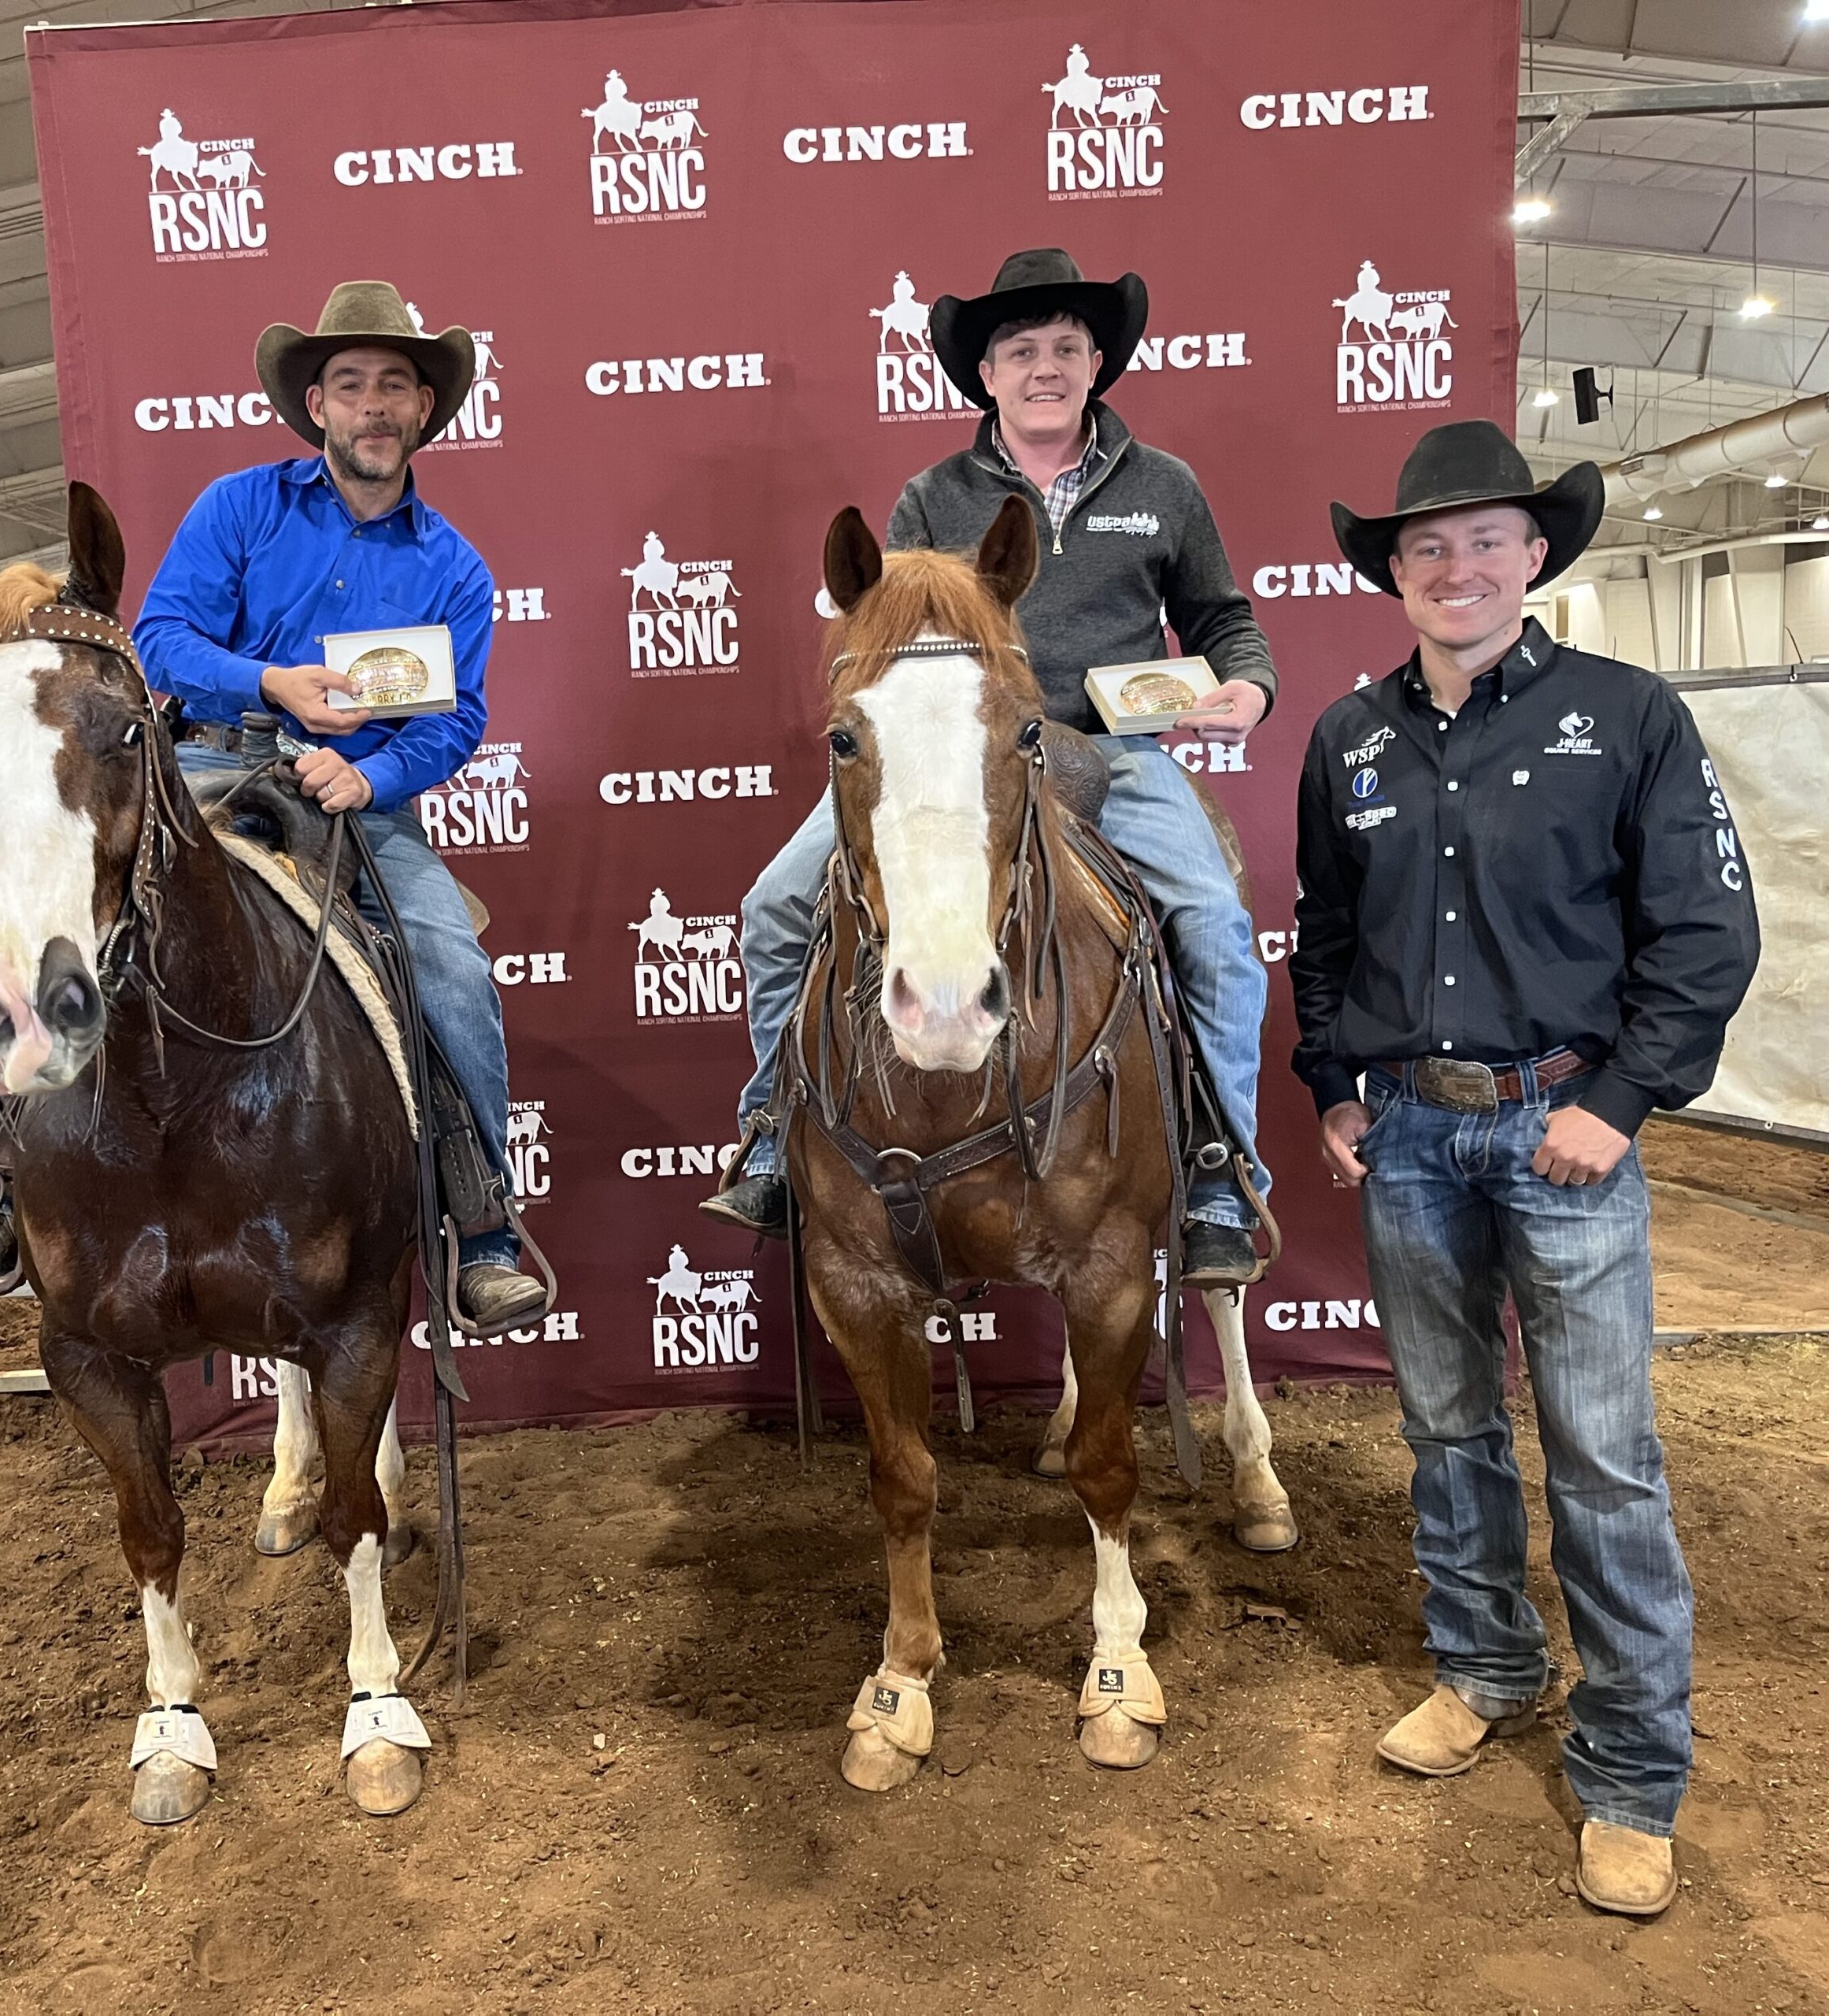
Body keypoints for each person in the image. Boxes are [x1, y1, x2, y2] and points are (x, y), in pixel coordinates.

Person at [1290, 420, 1760, 1917]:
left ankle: (1631, 1773)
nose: (1455, 566)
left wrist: (1621, 1103)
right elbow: (1326, 938)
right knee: (1447, 1429)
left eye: (1485, 540)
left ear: (1534, 556)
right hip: (1412, 1135)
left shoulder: (1629, 716)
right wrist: (1335, 1089)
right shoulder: (1347, 737)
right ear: (1395, 575)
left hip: (1565, 1130)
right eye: (1426, 547)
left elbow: (1705, 936)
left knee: (1606, 1459)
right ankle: (1485, 1666)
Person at [0, 281, 545, 1333]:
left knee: (452, 969)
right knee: (63, 903)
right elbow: (161, 641)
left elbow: (455, 719)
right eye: (351, 385)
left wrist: (372, 778)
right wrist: (273, 685)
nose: (374, 404)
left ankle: (483, 1223)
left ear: (424, 410)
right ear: (319, 408)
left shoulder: (456, 569)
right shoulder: (239, 508)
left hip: (357, 800)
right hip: (207, 763)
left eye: (395, 384)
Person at [702, 248, 1277, 1287]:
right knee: (775, 904)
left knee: (1215, 925)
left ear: (1099, 360)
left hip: (1112, 749)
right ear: (989, 374)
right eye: (1022, 350)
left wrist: (1251, 686)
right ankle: (772, 1132)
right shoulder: (934, 495)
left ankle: (1219, 1173)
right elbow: (891, 635)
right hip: (955, 755)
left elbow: (1224, 621)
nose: (1045, 366)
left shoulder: (1167, 488)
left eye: (1066, 346)